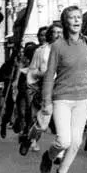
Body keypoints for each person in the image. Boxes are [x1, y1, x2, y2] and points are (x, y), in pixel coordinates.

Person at [39, 6, 87, 173]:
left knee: (76, 141)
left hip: (83, 98)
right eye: (72, 18)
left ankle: (62, 172)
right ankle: (48, 156)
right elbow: (49, 75)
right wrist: (46, 101)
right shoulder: (58, 46)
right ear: (65, 22)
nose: (77, 20)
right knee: (64, 141)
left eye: (79, 17)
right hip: (62, 98)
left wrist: (86, 77)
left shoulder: (86, 42)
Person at [20, 23, 62, 156]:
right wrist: (42, 73)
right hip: (47, 88)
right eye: (56, 32)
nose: (59, 35)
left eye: (61, 32)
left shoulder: (67, 49)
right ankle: (29, 139)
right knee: (42, 124)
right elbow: (32, 71)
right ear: (50, 35)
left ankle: (58, 155)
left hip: (63, 88)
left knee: (63, 123)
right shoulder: (41, 51)